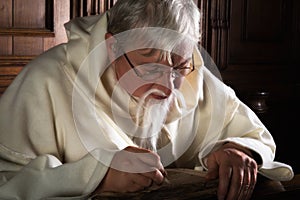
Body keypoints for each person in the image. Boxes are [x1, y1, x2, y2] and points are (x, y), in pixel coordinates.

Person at [0, 0, 294, 199]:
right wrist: (97, 176)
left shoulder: (192, 75)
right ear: (112, 47)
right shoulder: (48, 79)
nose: (168, 87)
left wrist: (235, 149)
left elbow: (251, 133)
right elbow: (7, 183)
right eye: (151, 66)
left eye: (179, 66)